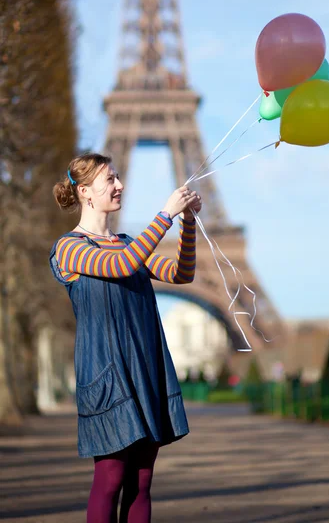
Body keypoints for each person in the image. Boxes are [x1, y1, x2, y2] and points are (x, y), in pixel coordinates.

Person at [49, 153, 201, 523]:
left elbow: (181, 274)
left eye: (118, 177)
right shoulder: (69, 248)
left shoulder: (129, 242)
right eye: (110, 180)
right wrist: (164, 215)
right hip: (106, 373)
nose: (120, 186)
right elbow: (121, 266)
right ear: (85, 191)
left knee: (142, 480)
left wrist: (187, 224)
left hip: (145, 367)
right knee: (111, 477)